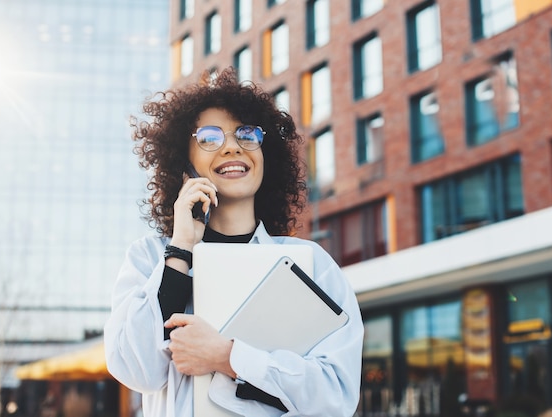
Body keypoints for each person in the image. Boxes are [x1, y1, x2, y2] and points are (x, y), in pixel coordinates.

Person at [103, 68, 364, 417]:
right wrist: (180, 250)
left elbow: (336, 397)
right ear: (185, 165)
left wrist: (228, 357)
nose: (231, 147)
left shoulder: (309, 263)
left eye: (246, 134)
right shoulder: (149, 258)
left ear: (264, 154)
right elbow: (138, 372)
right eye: (209, 138)